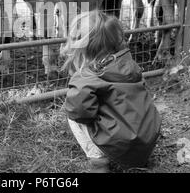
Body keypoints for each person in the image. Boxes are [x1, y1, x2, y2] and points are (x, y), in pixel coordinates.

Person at [60, 10, 161, 172]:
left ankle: (98, 161)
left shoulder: (86, 77)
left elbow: (78, 111)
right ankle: (132, 156)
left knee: (72, 114)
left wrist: (93, 116)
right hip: (146, 142)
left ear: (82, 49)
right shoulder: (129, 64)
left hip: (120, 146)